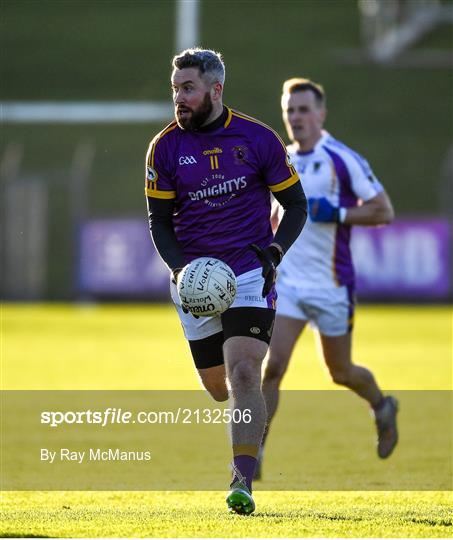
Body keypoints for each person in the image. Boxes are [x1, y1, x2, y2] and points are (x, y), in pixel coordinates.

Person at [145, 49, 307, 514]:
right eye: (176, 88)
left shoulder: (257, 139)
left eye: (188, 88)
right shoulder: (164, 146)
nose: (179, 97)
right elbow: (159, 220)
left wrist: (275, 251)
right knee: (219, 387)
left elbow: (296, 205)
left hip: (250, 269)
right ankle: (243, 445)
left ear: (215, 90)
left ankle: (242, 481)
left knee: (244, 373)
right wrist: (180, 270)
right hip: (193, 277)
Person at [259, 77, 398, 478]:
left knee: (341, 372)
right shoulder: (280, 160)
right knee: (272, 366)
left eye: (304, 110)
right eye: (290, 110)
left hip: (332, 284)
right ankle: (254, 455)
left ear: (321, 114)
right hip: (288, 284)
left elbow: (383, 211)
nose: (296, 117)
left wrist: (335, 212)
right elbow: (272, 219)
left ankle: (381, 404)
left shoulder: (342, 159)